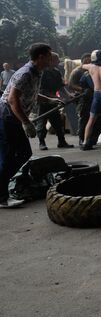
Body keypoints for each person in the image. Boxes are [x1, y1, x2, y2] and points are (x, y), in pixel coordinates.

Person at [0, 43, 53, 208]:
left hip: (13, 117)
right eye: (49, 56)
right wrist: (26, 122)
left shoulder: (37, 72)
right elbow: (12, 100)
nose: (51, 59)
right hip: (7, 116)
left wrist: (49, 100)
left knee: (20, 154)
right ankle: (1, 196)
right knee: (12, 155)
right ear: (41, 57)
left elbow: (31, 94)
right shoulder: (26, 73)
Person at [35, 52, 74, 150]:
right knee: (41, 123)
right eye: (57, 60)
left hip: (54, 102)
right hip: (43, 102)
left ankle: (62, 141)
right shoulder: (42, 72)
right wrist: (57, 98)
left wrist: (69, 95)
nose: (58, 61)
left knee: (57, 122)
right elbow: (40, 90)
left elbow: (61, 86)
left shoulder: (56, 72)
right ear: (50, 60)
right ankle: (41, 143)